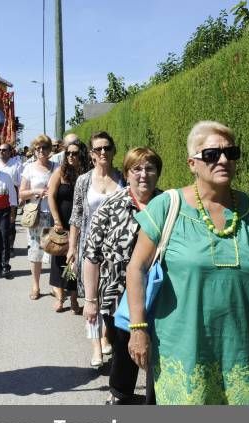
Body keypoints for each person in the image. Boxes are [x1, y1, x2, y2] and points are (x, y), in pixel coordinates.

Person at [127, 121, 249, 405]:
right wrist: (138, 329)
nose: (224, 160)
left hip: (245, 356)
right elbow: (136, 268)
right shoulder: (167, 206)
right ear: (192, 163)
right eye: (212, 154)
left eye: (231, 152)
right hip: (185, 354)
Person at [83, 147, 162, 404]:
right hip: (117, 295)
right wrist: (91, 300)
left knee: (160, 349)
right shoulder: (110, 206)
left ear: (158, 174)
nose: (143, 175)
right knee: (124, 349)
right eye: (136, 169)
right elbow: (92, 255)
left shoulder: (169, 205)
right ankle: (120, 396)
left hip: (161, 292)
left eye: (149, 168)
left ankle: (157, 400)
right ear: (126, 174)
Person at [68, 131, 125, 364]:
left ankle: (105, 337)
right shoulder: (83, 181)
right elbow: (76, 215)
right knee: (91, 297)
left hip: (117, 249)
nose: (103, 152)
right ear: (91, 154)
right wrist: (72, 248)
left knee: (109, 297)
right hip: (89, 248)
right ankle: (96, 347)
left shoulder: (122, 178)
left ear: (113, 151)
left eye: (107, 148)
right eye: (98, 149)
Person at [48, 139, 89, 313]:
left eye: (75, 153)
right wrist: (56, 220)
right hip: (61, 221)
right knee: (59, 260)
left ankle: (74, 299)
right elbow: (51, 196)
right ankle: (60, 298)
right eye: (68, 153)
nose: (71, 156)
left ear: (81, 155)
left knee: (74, 261)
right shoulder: (60, 171)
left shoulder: (86, 173)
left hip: (79, 222)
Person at [19, 134, 58, 299]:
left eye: (45, 147)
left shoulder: (57, 167)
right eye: (38, 148)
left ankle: (56, 286)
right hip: (36, 214)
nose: (41, 151)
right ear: (34, 150)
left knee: (56, 250)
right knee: (36, 251)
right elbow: (21, 193)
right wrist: (36, 191)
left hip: (54, 214)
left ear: (50, 150)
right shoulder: (28, 168)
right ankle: (35, 285)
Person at [0, 143, 22, 254]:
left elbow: (21, 182)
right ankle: (1, 246)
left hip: (12, 195)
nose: (1, 152)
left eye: (4, 150)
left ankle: (10, 247)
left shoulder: (16, 164)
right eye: (0, 150)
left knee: (11, 223)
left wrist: (21, 197)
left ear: (10, 152)